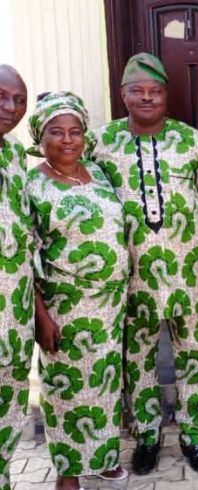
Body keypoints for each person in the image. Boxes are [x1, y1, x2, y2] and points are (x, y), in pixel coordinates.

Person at [87, 52, 198, 475]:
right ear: (123, 94)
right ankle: (146, 436)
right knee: (137, 359)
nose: (147, 98)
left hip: (191, 273)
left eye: (156, 91)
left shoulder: (191, 140)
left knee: (197, 355)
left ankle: (191, 435)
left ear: (167, 95)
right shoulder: (99, 143)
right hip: (130, 278)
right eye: (138, 91)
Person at [27, 92, 129, 490]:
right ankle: (68, 471)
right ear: (41, 136)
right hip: (65, 305)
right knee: (64, 389)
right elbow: (26, 255)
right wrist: (41, 317)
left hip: (110, 304)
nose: (68, 140)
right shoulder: (34, 185)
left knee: (105, 384)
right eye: (57, 132)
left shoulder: (98, 173)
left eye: (75, 132)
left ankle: (102, 460)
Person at [0, 65, 35, 490]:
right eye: (2, 96)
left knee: (8, 414)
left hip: (16, 314)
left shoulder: (13, 155)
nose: (10, 108)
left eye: (19, 100)